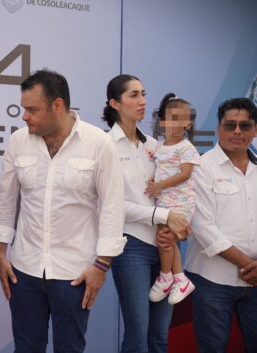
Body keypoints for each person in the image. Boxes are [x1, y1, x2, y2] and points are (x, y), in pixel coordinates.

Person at [0, 69, 126, 353]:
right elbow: (5, 201)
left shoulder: (99, 144)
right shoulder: (18, 140)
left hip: (74, 273)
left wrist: (101, 266)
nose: (25, 117)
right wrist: (0, 254)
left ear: (57, 106)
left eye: (31, 110)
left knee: (70, 348)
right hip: (24, 270)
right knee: (27, 348)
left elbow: (113, 208)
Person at [102, 75, 191, 353]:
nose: (142, 102)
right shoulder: (105, 146)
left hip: (166, 244)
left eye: (143, 94)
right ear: (115, 103)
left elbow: (180, 187)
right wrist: (162, 216)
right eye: (133, 95)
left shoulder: (156, 145)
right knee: (138, 338)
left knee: (160, 338)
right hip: (131, 248)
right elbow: (112, 205)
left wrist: (180, 222)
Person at [184, 97, 257, 353]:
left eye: (245, 126)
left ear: (254, 130)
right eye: (230, 125)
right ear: (218, 129)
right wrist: (250, 266)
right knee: (213, 347)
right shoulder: (200, 168)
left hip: (255, 283)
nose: (237, 131)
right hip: (212, 280)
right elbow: (204, 229)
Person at [145, 93, 200, 305]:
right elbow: (159, 169)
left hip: (181, 203)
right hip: (164, 203)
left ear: (188, 123)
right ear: (162, 121)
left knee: (165, 238)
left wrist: (159, 186)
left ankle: (166, 275)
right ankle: (179, 278)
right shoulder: (159, 146)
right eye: (171, 117)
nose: (175, 123)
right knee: (167, 240)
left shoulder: (186, 147)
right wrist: (153, 181)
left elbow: (185, 173)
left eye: (181, 119)